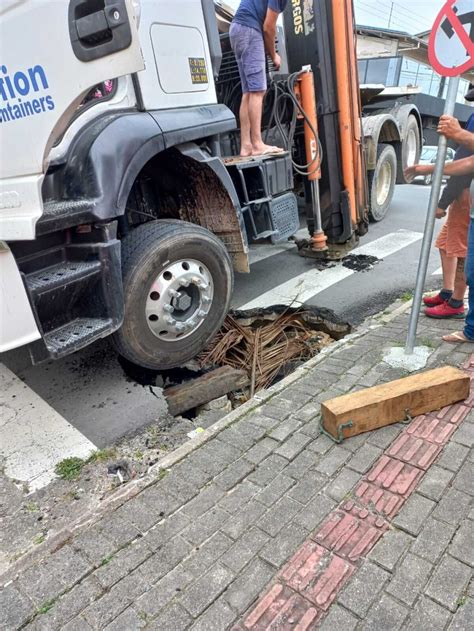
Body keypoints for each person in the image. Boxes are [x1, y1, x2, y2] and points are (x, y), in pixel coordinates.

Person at [406, 128, 474, 344]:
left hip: (464, 200)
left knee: (463, 257)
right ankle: (451, 296)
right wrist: (428, 169)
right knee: (448, 247)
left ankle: (457, 307)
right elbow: (468, 162)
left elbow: (466, 164)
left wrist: (457, 132)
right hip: (471, 210)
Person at [423, 109, 474, 320]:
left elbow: (466, 162)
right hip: (460, 192)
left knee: (459, 249)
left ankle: (456, 302)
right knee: (445, 244)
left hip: (464, 193)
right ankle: (448, 292)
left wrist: (443, 201)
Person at [230, 0, 288, 157]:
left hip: (237, 29)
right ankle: (257, 144)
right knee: (258, 91)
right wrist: (274, 55)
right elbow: (268, 28)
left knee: (248, 92)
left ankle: (246, 145)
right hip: (250, 30)